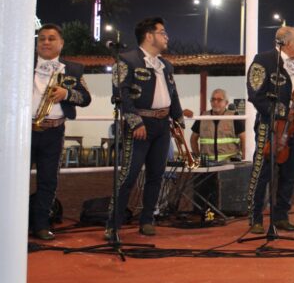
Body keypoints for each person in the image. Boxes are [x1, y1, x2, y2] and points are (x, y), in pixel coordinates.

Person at [107, 17, 185, 238]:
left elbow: (173, 93)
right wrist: (135, 122)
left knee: (156, 175)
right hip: (140, 125)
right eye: (162, 32)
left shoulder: (166, 65)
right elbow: (120, 95)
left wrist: (177, 117)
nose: (166, 36)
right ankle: (113, 225)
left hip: (162, 126)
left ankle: (147, 219)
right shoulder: (126, 60)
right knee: (128, 176)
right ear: (149, 36)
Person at [29, 24, 92, 240]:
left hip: (53, 133)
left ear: (61, 43)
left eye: (51, 38)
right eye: (42, 39)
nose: (46, 42)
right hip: (25, 133)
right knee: (13, 179)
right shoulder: (23, 65)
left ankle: (41, 225)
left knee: (48, 181)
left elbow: (86, 98)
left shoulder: (73, 69)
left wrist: (66, 94)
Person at [246, 26, 294, 234]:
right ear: (288, 43)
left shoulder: (293, 66)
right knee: (262, 170)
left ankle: (282, 215)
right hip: (269, 124)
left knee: (289, 172)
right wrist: (280, 113)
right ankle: (255, 217)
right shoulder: (263, 60)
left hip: (292, 127)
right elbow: (256, 94)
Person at [191, 89, 245, 163]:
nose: (215, 102)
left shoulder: (233, 117)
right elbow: (193, 139)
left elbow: (244, 138)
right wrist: (198, 157)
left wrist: (243, 157)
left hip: (229, 165)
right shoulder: (203, 117)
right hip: (208, 166)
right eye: (213, 99)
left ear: (226, 103)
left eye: (219, 100)